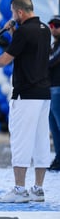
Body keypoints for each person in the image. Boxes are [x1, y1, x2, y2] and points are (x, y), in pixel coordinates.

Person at [0, 0, 51, 203]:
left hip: (25, 94)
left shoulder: (24, 32)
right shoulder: (44, 30)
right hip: (42, 93)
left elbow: (6, 59)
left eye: (13, 12)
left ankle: (20, 190)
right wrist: (14, 32)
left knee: (21, 140)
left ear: (20, 12)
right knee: (40, 141)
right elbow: (27, 50)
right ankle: (38, 189)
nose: (12, 15)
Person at [47, 15, 60, 171]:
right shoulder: (52, 46)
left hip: (57, 89)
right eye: (51, 25)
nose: (53, 28)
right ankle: (58, 157)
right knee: (54, 127)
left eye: (56, 25)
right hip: (50, 89)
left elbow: (50, 62)